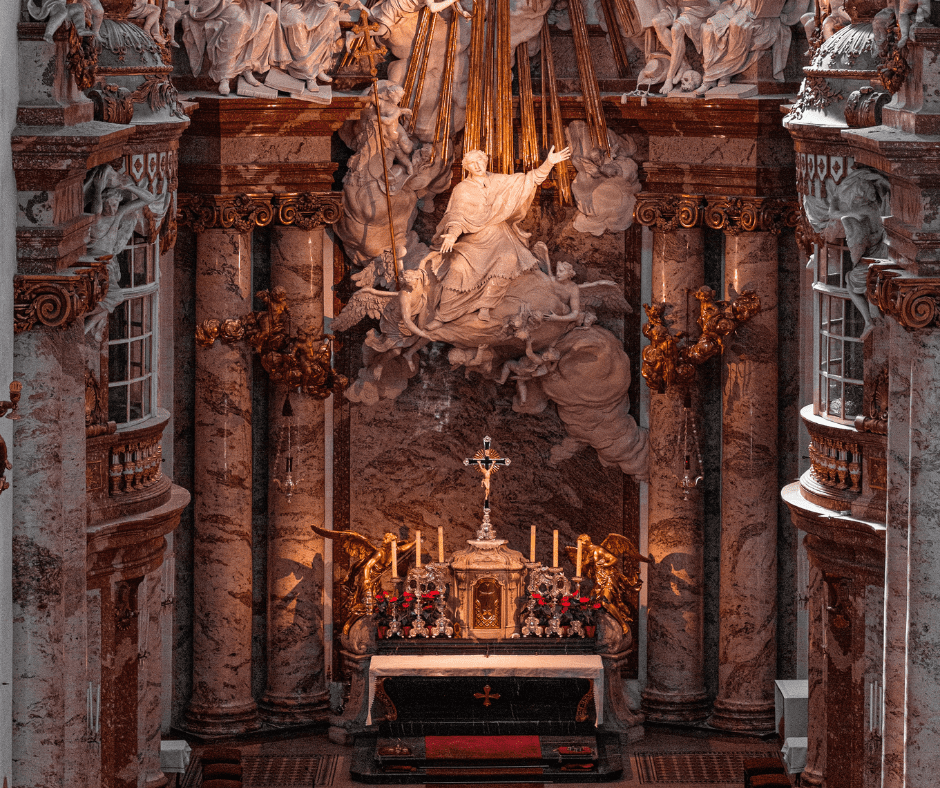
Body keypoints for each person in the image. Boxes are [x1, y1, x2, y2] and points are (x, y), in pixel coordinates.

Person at [428, 145, 571, 326]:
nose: (477, 166)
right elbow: (456, 216)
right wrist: (451, 236)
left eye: (480, 160)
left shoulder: (499, 181)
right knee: (457, 268)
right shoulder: (462, 189)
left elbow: (530, 179)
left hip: (499, 234)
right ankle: (443, 316)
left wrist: (549, 163)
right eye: (472, 163)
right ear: (467, 168)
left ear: (485, 161)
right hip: (472, 239)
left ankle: (486, 305)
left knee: (508, 259)